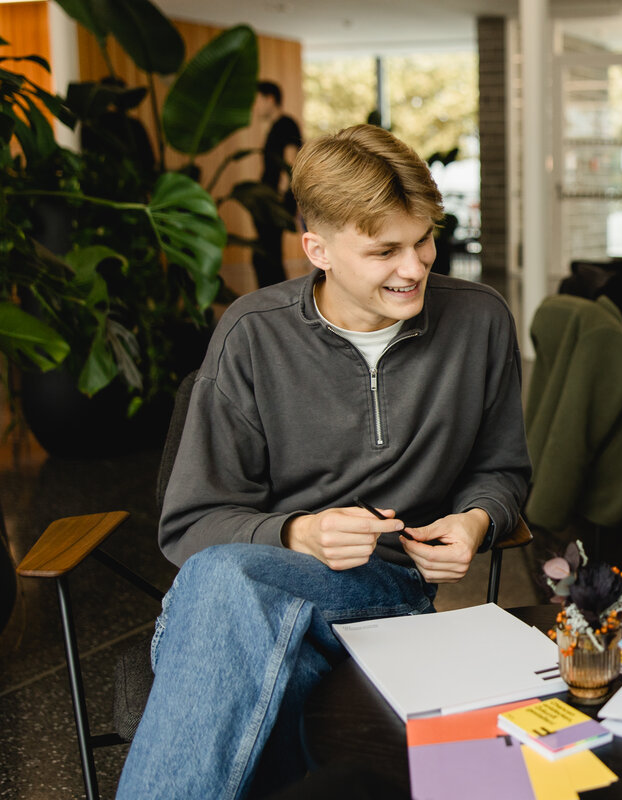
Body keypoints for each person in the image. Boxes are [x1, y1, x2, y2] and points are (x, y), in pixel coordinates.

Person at [116, 123, 531, 799]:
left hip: (389, 600)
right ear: (319, 249)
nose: (416, 265)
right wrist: (294, 534)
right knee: (238, 602)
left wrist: (478, 520)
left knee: (245, 656)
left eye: (424, 238)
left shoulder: (480, 320)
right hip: (245, 598)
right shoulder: (253, 335)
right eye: (384, 250)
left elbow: (503, 468)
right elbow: (190, 526)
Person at [251, 81, 303, 288]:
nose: (255, 107)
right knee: (265, 255)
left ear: (269, 99)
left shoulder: (286, 124)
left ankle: (275, 302)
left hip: (276, 201)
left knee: (267, 256)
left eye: (257, 101)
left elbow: (290, 161)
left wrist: (280, 198)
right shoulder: (277, 125)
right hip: (270, 199)